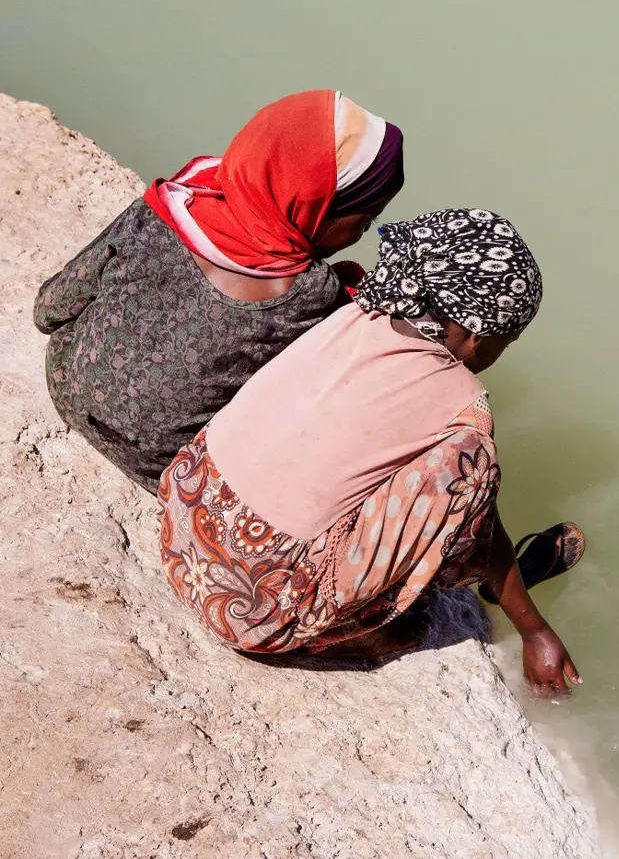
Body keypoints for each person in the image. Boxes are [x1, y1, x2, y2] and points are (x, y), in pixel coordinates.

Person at [157, 208, 585, 696]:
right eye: (505, 342)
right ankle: (337, 632)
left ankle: (491, 581)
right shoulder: (461, 402)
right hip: (249, 608)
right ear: (475, 334)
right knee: (469, 463)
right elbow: (470, 495)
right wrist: (535, 631)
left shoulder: (360, 313)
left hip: (180, 520)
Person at [33, 90, 404, 493]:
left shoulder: (170, 204)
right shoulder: (310, 296)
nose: (357, 235)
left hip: (68, 384)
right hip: (161, 465)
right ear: (314, 206)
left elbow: (48, 310)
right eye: (365, 223)